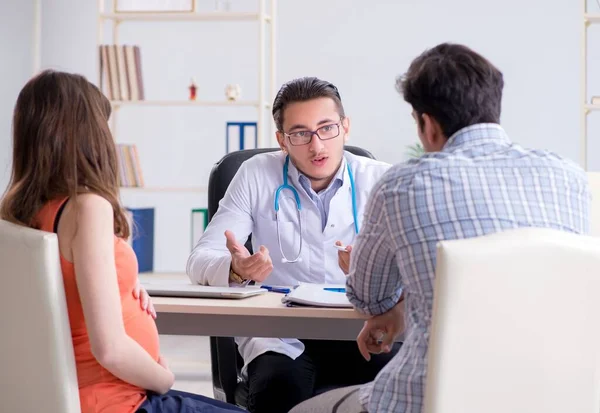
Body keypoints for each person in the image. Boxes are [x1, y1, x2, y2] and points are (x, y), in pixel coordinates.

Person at [290, 43, 590, 413]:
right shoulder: (569, 178)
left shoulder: (402, 185)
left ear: (427, 124)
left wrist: (392, 303)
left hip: (424, 400)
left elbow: (369, 299)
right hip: (551, 398)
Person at [0, 69, 245, 413]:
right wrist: (164, 377)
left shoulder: (18, 210)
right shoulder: (86, 208)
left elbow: (62, 292)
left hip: (85, 393)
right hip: (118, 400)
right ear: (86, 134)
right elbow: (110, 349)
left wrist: (122, 286)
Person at [187, 77, 398, 412]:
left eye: (327, 128)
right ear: (282, 140)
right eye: (300, 134)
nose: (317, 146)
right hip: (281, 334)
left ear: (345, 126)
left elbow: (416, 268)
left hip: (359, 327)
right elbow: (200, 259)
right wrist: (236, 269)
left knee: (403, 388)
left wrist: (375, 268)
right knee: (279, 387)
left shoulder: (382, 180)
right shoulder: (256, 174)